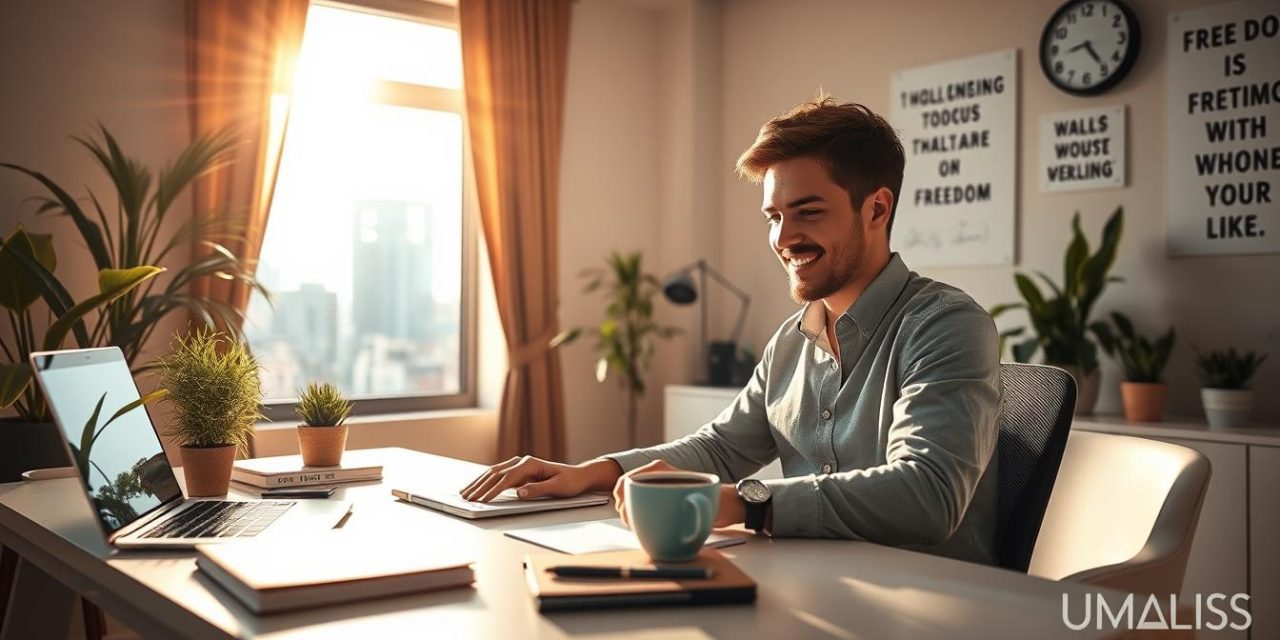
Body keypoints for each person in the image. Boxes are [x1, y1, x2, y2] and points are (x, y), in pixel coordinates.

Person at [461, 95, 1001, 565]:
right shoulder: (793, 338)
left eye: (807, 212)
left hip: (932, 604)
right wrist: (593, 472)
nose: (783, 238)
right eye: (773, 217)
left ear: (876, 208)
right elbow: (721, 449)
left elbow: (928, 494)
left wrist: (752, 503)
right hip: (818, 583)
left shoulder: (946, 325)